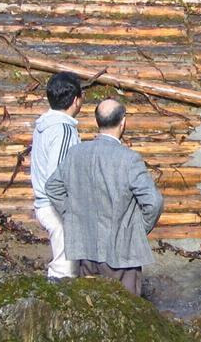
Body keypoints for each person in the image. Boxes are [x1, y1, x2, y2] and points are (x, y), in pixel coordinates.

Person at [45, 98, 163, 296]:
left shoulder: (76, 153)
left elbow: (52, 187)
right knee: (127, 309)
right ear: (123, 122)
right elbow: (154, 202)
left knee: (91, 306)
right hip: (122, 254)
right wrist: (137, 230)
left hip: (86, 250)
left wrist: (72, 216)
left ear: (97, 121)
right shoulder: (129, 159)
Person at [30, 71, 83, 279]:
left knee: (66, 266)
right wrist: (69, 211)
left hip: (45, 203)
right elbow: (57, 177)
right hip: (56, 207)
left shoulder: (44, 125)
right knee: (65, 270)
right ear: (76, 100)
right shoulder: (63, 129)